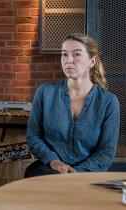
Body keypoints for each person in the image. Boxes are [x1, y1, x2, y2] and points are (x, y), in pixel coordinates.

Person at [25, 33, 120, 178]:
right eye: (64, 54)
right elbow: (33, 137)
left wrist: (78, 172)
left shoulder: (108, 102)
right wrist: (54, 161)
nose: (68, 60)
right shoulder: (45, 92)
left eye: (76, 54)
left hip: (88, 175)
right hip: (48, 171)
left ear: (92, 61)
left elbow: (106, 152)